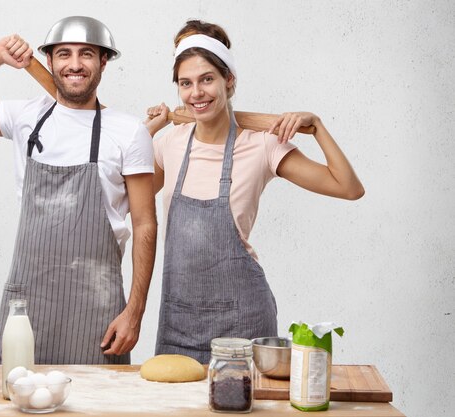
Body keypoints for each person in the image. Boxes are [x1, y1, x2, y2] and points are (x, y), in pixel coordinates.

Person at [0, 16, 157, 364]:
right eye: (64, 54)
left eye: (87, 54)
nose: (75, 65)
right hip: (28, 303)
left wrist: (135, 312)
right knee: (17, 400)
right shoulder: (26, 117)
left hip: (98, 308)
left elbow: (145, 224)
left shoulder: (128, 132)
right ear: (49, 61)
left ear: (104, 62)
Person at [145, 20, 364, 363]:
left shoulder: (263, 145)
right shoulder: (168, 144)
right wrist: (144, 133)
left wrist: (318, 127)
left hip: (242, 323)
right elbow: (122, 199)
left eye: (207, 79)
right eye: (186, 83)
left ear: (228, 80)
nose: (196, 93)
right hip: (178, 324)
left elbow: (348, 188)